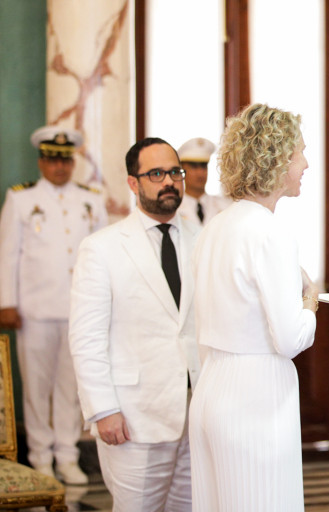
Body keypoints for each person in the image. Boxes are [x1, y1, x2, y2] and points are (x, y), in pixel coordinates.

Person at [189, 103, 318, 511]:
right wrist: (310, 302)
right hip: (255, 397)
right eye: (300, 152)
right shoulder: (269, 231)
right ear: (275, 158)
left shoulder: (214, 227)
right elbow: (290, 339)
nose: (306, 164)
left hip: (211, 386)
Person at [68, 137, 201, 510]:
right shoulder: (102, 248)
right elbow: (86, 338)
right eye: (156, 174)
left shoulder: (202, 238)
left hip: (197, 412)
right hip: (133, 416)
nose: (169, 181)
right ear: (133, 182)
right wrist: (102, 409)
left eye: (175, 172)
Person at [0, 125, 107, 484]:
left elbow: (102, 257)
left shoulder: (92, 199)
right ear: (41, 161)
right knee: (36, 387)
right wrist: (7, 302)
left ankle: (67, 455)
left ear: (73, 162)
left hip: (79, 310)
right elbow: (7, 254)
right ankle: (40, 456)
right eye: (52, 159)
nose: (59, 166)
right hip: (35, 309)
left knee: (71, 387)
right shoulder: (21, 199)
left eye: (65, 160)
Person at [176, 137, 231, 226]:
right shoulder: (175, 208)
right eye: (193, 167)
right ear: (182, 169)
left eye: (203, 166)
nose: (200, 173)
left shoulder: (225, 206)